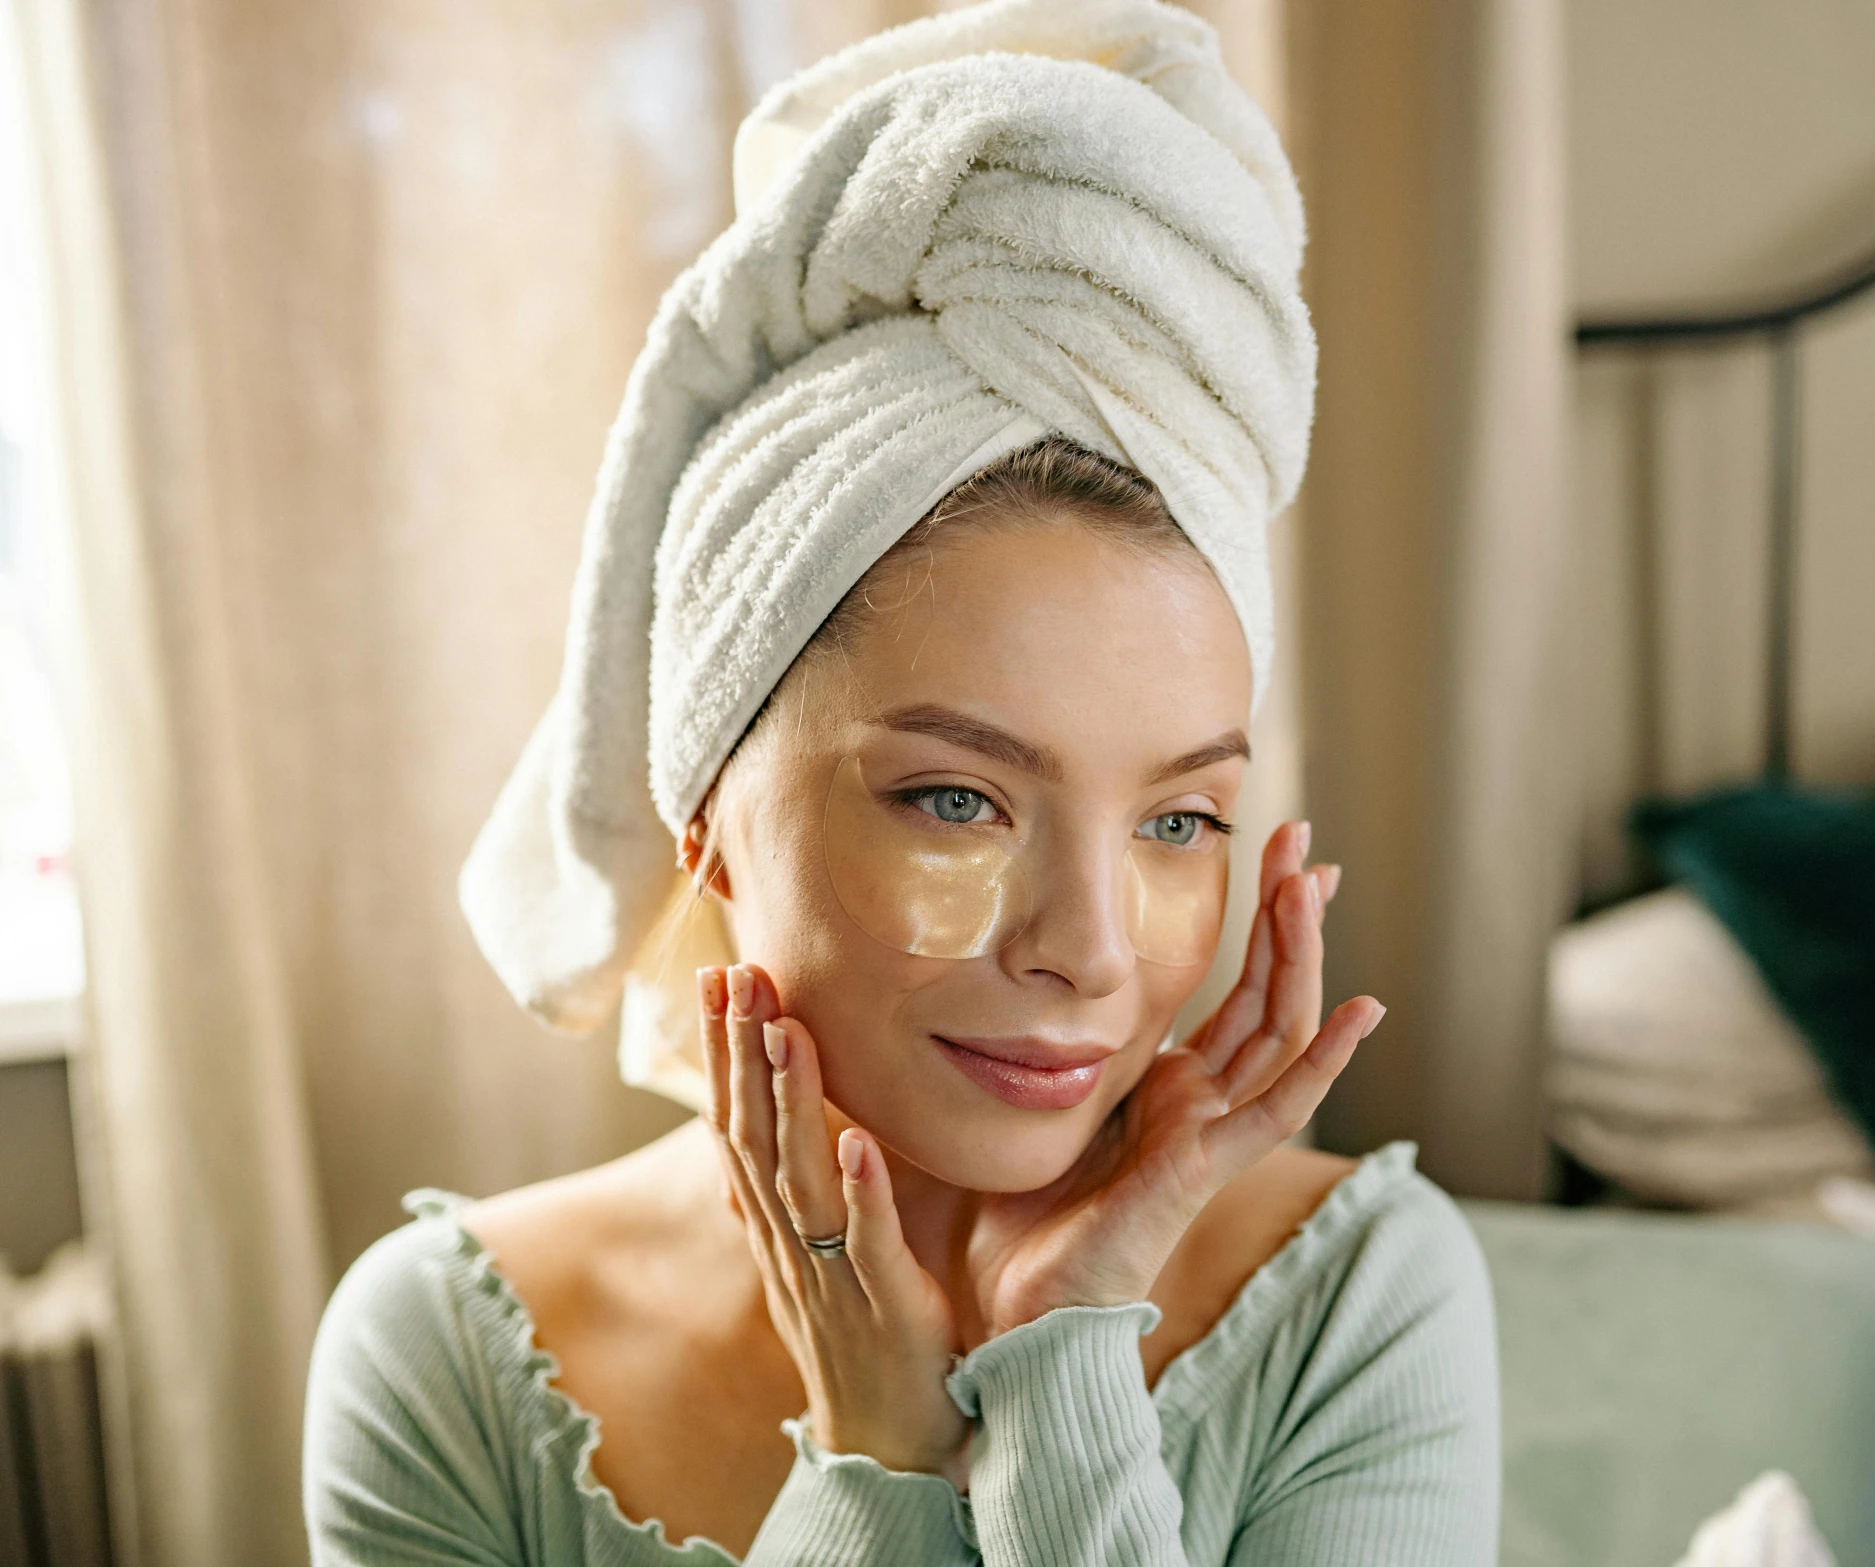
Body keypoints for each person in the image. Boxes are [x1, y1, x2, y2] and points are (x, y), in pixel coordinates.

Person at [302, 4, 1499, 1563]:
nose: (1094, 945)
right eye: (958, 800)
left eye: (1178, 819)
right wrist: (877, 1463)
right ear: (713, 818)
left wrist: (1063, 1351)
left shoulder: (1358, 1294)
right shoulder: (445, 1361)